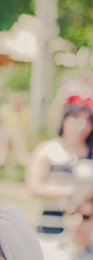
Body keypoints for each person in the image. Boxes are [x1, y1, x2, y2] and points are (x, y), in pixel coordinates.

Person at [26, 101, 93, 236]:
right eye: (76, 118)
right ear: (65, 120)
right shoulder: (47, 150)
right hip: (52, 225)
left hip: (87, 231)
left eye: (87, 120)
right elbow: (35, 187)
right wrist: (73, 192)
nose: (82, 125)